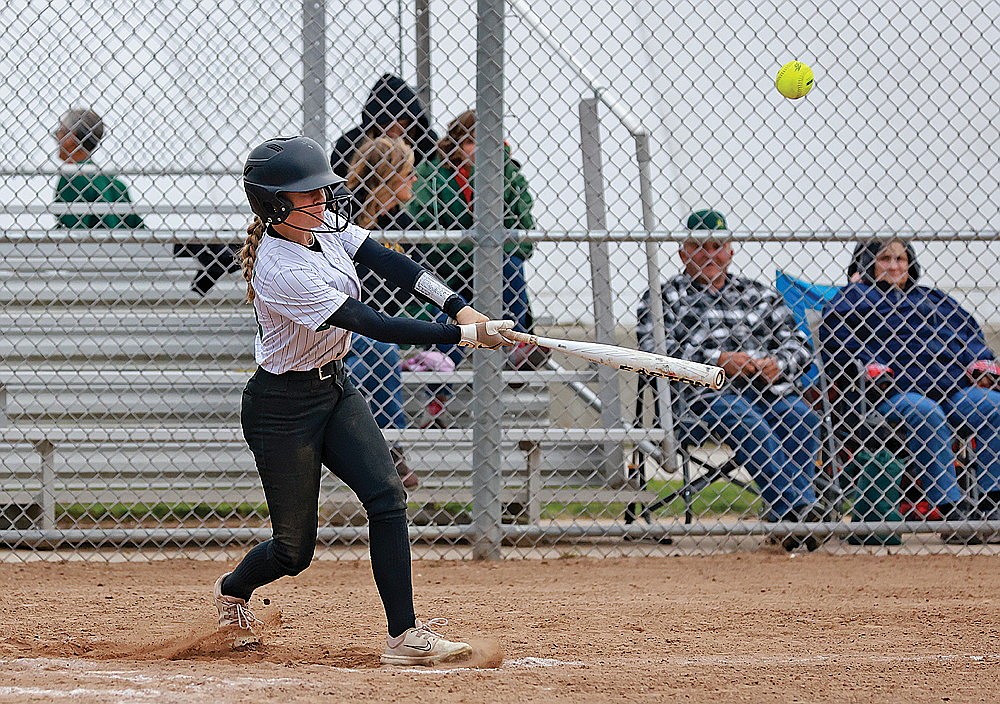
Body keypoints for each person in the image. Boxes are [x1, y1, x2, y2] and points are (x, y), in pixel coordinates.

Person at [214, 135, 514, 664]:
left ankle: (404, 637)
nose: (322, 202)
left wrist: (460, 307)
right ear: (273, 204)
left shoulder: (324, 232)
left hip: (334, 389)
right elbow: (369, 323)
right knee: (294, 550)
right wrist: (461, 337)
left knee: (387, 497)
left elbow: (391, 262)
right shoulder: (280, 268)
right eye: (308, 195)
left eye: (323, 191)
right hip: (281, 408)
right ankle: (234, 590)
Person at [636, 209, 823, 551]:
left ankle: (793, 516)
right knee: (743, 417)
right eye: (700, 246)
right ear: (683, 253)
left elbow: (797, 343)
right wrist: (717, 361)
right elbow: (652, 352)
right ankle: (798, 512)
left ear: (731, 251)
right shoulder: (664, 296)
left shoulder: (760, 294)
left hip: (768, 390)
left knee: (802, 417)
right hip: (704, 395)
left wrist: (776, 364)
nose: (710, 254)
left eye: (718, 246)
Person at [820, 237, 1000, 525]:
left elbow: (970, 336)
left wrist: (980, 362)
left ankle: (993, 503)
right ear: (867, 264)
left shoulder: (935, 299)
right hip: (889, 395)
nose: (894, 266)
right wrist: (868, 364)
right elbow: (837, 342)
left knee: (994, 406)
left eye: (900, 259)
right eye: (884, 259)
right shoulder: (852, 299)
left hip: (951, 389)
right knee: (926, 412)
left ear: (910, 264)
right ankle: (953, 509)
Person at [343, 136, 421, 488]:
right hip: (341, 319)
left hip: (378, 323)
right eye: (408, 171)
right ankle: (389, 448)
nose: (415, 178)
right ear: (388, 176)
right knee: (379, 352)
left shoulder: (406, 223)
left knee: (374, 354)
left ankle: (369, 443)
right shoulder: (343, 214)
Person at [330, 74, 438, 181]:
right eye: (387, 125)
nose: (395, 132)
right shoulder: (349, 145)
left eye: (402, 123)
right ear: (374, 125)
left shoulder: (425, 142)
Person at [53, 108, 144, 230]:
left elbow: (71, 233)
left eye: (59, 132)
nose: (56, 137)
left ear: (71, 137)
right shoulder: (114, 183)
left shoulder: (73, 178)